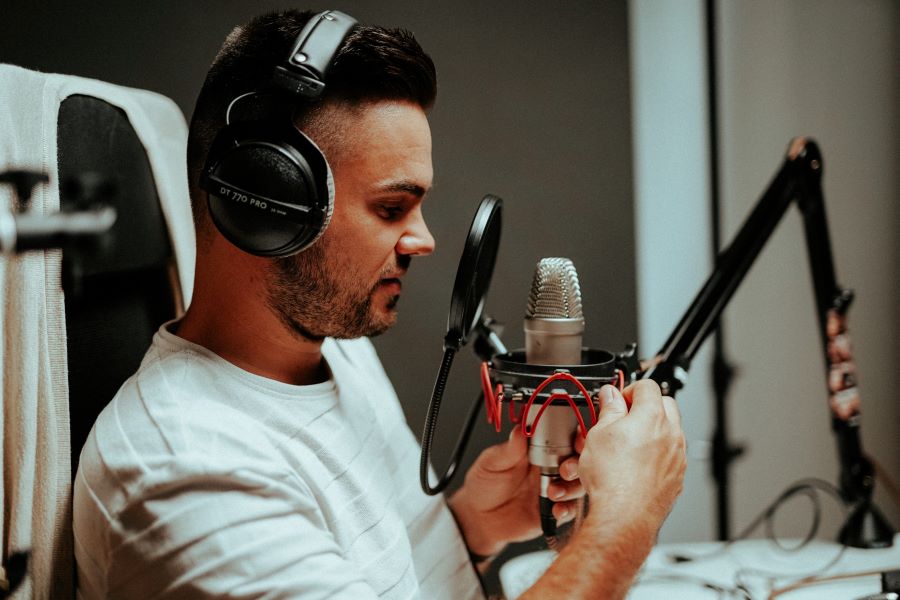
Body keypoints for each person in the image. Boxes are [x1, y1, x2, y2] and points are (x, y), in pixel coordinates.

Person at [73, 9, 686, 599]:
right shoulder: (183, 472)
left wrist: (471, 529)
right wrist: (623, 524)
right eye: (392, 208)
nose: (424, 239)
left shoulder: (338, 352)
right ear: (265, 203)